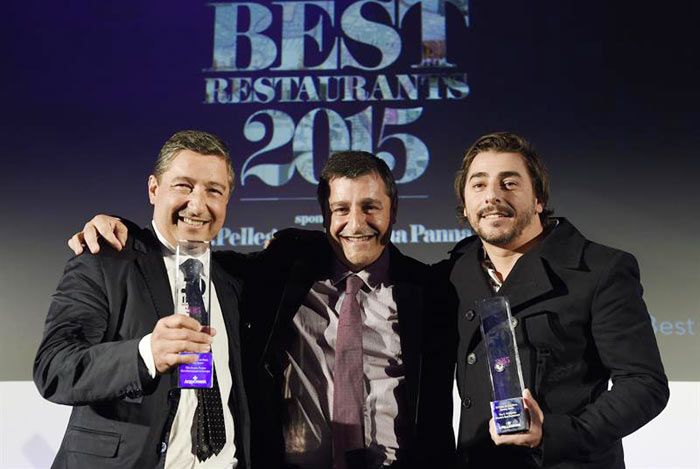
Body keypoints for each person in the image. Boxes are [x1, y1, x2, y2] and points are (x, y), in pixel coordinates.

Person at [67, 151, 455, 469]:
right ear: (324, 215)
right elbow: (192, 253)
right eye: (341, 209)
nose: (356, 223)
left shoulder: (430, 289)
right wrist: (125, 231)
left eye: (371, 207)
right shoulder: (283, 273)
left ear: (393, 210)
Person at [445, 132, 669, 468]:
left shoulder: (600, 269)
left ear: (538, 199)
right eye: (479, 185)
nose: (492, 196)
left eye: (509, 183)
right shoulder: (452, 275)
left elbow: (644, 384)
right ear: (465, 205)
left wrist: (555, 433)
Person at [34, 130, 250, 468]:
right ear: (154, 189)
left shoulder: (233, 280)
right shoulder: (104, 259)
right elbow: (54, 368)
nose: (197, 203)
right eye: (183, 185)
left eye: (213, 190)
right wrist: (146, 353)